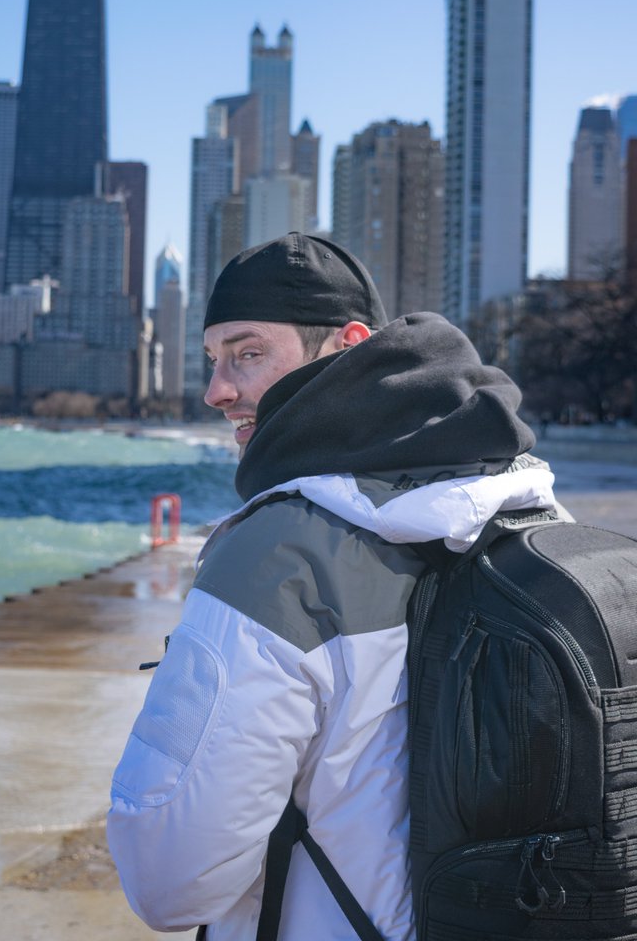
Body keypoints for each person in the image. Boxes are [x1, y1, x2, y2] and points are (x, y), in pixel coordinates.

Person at [108, 232, 561, 940]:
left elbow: (171, 882)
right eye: (212, 360)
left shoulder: (276, 556)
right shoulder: (528, 507)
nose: (216, 390)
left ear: (347, 346)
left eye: (248, 354)